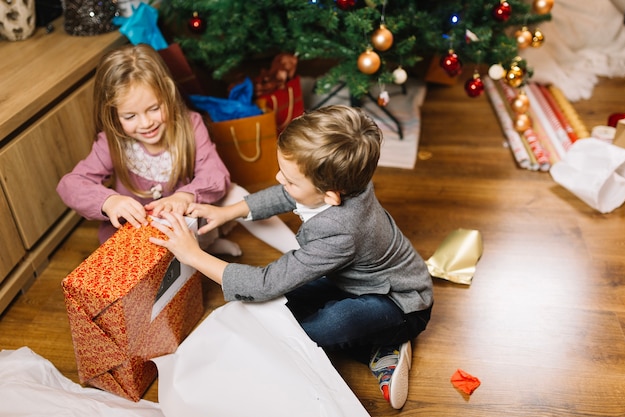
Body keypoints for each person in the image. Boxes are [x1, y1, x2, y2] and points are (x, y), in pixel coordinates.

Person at [150, 104, 434, 409]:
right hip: (353, 281)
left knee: (316, 329)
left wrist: (192, 255)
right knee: (279, 309)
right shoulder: (346, 178)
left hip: (400, 304)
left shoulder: (342, 231)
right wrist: (226, 212)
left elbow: (265, 282)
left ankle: (385, 345)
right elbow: (286, 194)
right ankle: (377, 338)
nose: (278, 178)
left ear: (330, 196)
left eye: (290, 179)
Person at [57, 43, 298, 255]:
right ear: (113, 115)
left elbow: (216, 175)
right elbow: (70, 184)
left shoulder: (190, 124)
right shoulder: (112, 141)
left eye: (153, 108)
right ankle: (204, 254)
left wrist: (185, 196)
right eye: (130, 115)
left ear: (168, 95)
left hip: (189, 228)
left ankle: (297, 252)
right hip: (143, 241)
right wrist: (109, 201)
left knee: (235, 193)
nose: (146, 123)